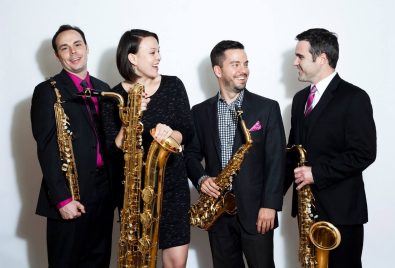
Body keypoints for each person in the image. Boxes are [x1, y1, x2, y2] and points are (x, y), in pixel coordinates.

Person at [184, 40, 286, 268]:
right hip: (217, 213)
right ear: (218, 70)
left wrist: (270, 205)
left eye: (246, 63)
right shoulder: (199, 112)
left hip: (257, 212)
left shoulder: (267, 108)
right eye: (236, 64)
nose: (244, 70)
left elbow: (276, 161)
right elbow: (189, 154)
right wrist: (201, 179)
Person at [101, 29, 193, 268]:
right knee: (139, 261)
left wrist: (171, 134)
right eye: (152, 52)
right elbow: (112, 151)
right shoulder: (114, 97)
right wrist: (130, 117)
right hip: (135, 194)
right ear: (132, 58)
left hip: (172, 188)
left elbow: (188, 131)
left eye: (158, 51)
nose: (158, 57)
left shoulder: (173, 85)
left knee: (176, 263)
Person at [286, 28, 377, 268]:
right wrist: (267, 202)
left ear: (322, 58)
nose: (295, 62)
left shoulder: (355, 97)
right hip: (308, 211)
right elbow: (292, 154)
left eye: (300, 57)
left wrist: (316, 173)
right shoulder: (299, 100)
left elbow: (364, 153)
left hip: (342, 213)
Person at [30, 25, 114, 267]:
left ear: (87, 48)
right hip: (70, 194)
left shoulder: (104, 88)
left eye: (77, 44)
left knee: (99, 262)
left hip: (103, 193)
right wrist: (62, 199)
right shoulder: (47, 91)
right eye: (64, 48)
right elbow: (46, 149)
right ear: (57, 55)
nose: (73, 52)